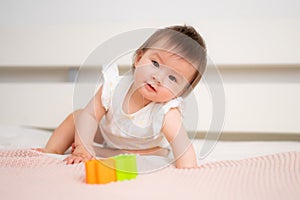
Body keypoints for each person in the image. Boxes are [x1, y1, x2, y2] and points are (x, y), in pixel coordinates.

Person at [37, 25, 207, 168]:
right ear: (139, 59)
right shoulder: (113, 87)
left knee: (151, 156)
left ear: (180, 92)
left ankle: (109, 153)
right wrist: (84, 145)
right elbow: (90, 115)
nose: (158, 78)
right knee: (78, 117)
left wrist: (188, 172)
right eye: (155, 64)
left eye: (172, 78)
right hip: (107, 135)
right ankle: (50, 153)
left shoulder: (167, 112)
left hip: (145, 148)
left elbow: (184, 150)